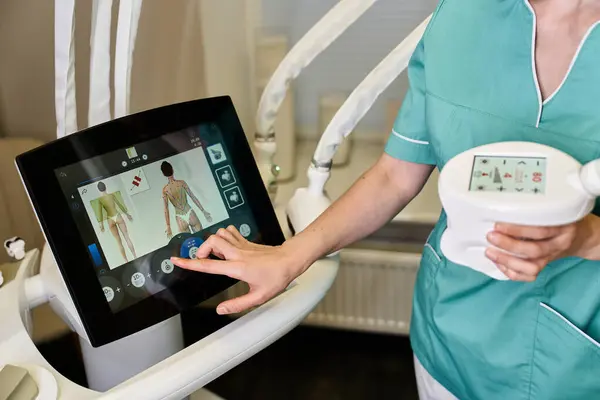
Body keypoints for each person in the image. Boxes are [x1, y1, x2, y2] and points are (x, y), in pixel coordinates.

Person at [172, 1, 600, 398]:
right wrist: (289, 256)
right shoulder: (463, 16)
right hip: (448, 346)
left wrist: (586, 239)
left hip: (578, 368)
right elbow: (395, 176)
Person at [161, 161, 212, 239]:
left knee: (189, 244)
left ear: (163, 174)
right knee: (202, 239)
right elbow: (193, 197)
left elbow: (166, 209)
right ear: (172, 170)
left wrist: (168, 226)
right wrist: (203, 211)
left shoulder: (165, 190)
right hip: (190, 212)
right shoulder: (182, 183)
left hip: (180, 217)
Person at [96, 181, 136, 262]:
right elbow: (120, 205)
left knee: (118, 242)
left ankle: (126, 261)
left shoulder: (100, 200)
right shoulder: (111, 195)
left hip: (110, 219)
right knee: (127, 237)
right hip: (117, 216)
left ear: (99, 190)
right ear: (105, 187)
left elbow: (100, 214)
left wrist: (101, 226)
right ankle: (135, 256)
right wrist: (127, 214)